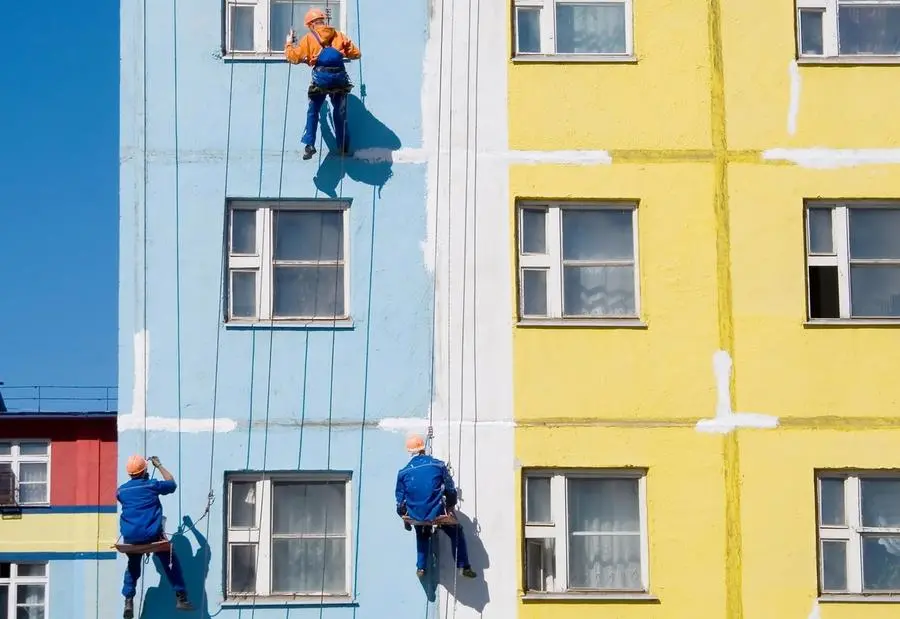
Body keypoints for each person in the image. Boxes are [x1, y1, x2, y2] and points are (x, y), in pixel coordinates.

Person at [117, 455, 194, 618]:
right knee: (170, 559)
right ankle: (181, 597)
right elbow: (172, 484)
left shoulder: (121, 491)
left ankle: (128, 600)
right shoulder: (152, 485)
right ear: (144, 470)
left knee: (133, 565)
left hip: (130, 537)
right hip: (151, 535)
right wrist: (158, 465)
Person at [395, 434, 477, 579]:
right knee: (456, 531)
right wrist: (451, 505)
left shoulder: (403, 472)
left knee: (421, 531)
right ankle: (463, 565)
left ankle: (421, 568)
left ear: (410, 452)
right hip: (436, 510)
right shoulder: (438, 465)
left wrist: (404, 516)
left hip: (416, 512)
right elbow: (450, 489)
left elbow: (400, 501)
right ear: (423, 449)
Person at [284, 8, 361, 161]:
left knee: (313, 111)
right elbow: (356, 54)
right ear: (323, 21)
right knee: (340, 113)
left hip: (320, 80)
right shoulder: (339, 35)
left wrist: (288, 44)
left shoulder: (309, 38)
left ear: (311, 24)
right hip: (339, 80)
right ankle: (344, 146)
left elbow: (294, 58)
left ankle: (309, 145)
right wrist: (340, 52)